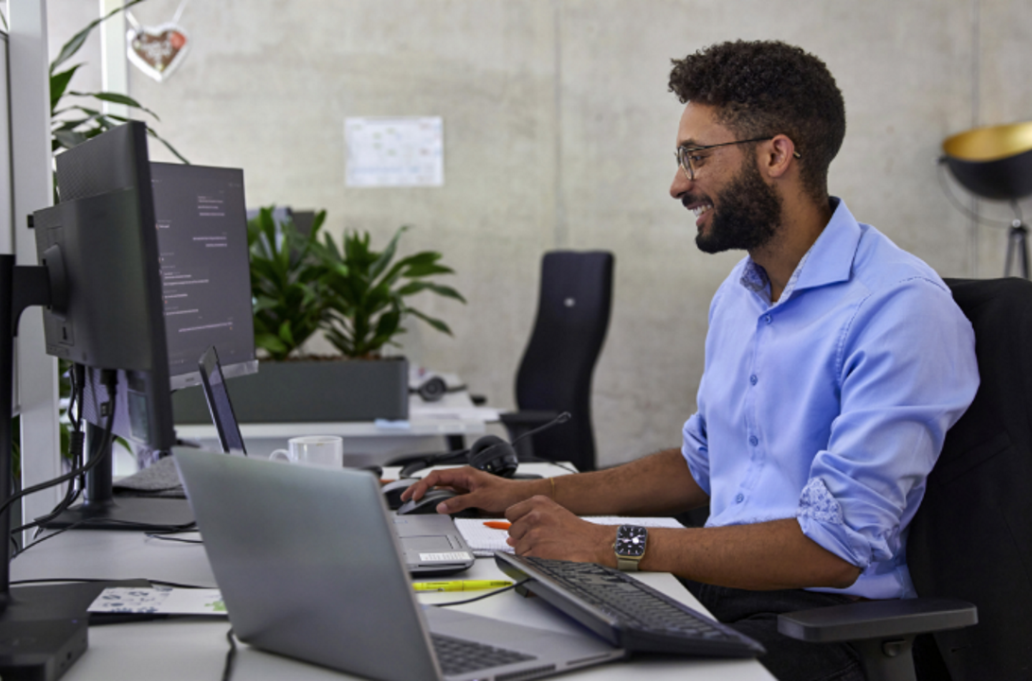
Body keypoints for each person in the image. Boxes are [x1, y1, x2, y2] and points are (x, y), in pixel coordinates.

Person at [402, 39, 979, 681]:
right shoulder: (742, 293)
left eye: (695, 158)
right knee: (501, 642)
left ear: (775, 155)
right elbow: (700, 469)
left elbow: (833, 547)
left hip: (821, 630)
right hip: (715, 592)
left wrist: (608, 546)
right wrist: (523, 493)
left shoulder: (898, 308)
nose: (679, 183)